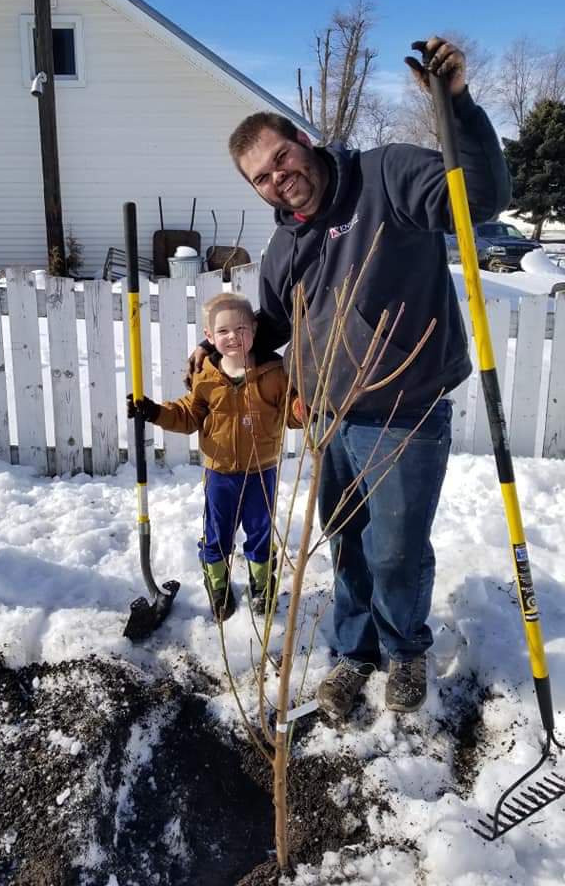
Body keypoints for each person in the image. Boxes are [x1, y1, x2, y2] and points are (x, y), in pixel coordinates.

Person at [193, 36, 511, 714]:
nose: (279, 178)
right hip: (329, 418)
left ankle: (404, 650)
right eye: (263, 177)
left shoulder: (386, 175)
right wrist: (221, 349)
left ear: (303, 141)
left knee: (395, 549)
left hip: (404, 411)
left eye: (282, 158)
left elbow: (479, 198)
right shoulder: (285, 247)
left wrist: (457, 107)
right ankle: (353, 652)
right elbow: (273, 327)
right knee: (346, 545)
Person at [128, 292, 299, 621]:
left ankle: (262, 586)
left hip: (261, 470)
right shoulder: (205, 376)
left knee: (261, 530)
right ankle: (218, 585)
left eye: (241, 329)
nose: (233, 337)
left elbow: (290, 411)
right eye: (223, 331)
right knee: (217, 532)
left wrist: (303, 409)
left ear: (254, 329)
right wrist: (154, 411)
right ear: (209, 336)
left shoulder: (275, 373)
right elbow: (187, 415)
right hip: (219, 473)